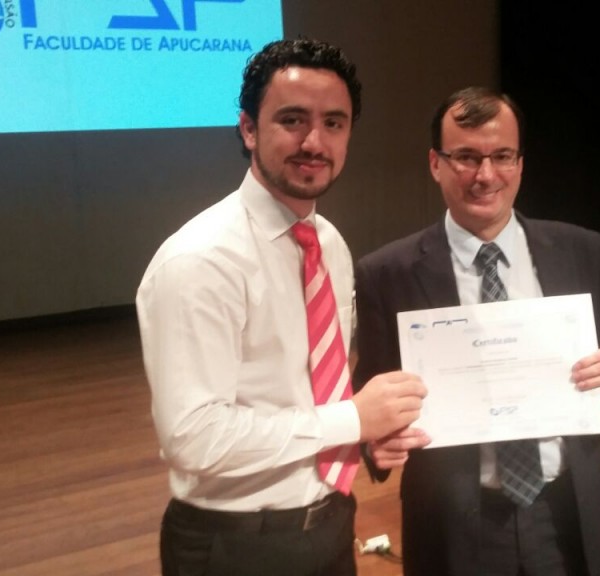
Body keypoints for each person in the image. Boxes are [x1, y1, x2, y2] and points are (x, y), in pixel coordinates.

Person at [136, 38, 427, 576]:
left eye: (334, 123)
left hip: (332, 520)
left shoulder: (329, 244)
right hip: (236, 545)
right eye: (293, 120)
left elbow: (309, 390)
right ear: (249, 129)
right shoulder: (200, 260)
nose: (314, 141)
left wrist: (365, 436)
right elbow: (194, 439)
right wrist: (353, 418)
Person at [352, 86, 600, 576]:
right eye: (466, 157)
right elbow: (371, 386)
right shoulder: (387, 273)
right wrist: (374, 440)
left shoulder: (584, 250)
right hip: (454, 520)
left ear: (520, 163)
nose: (486, 175)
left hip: (568, 510)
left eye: (501, 156)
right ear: (435, 164)